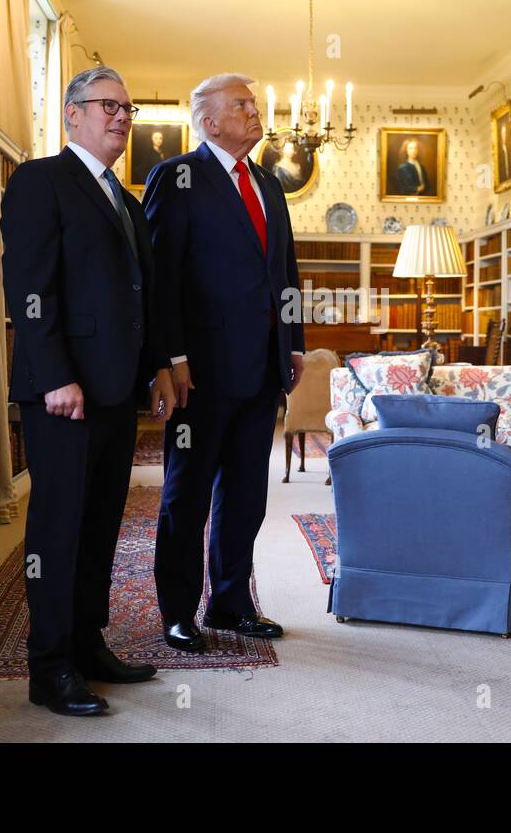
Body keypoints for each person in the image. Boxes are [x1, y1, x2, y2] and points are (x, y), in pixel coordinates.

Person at [1, 66, 176, 716]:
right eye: (109, 105)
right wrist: (52, 375)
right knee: (59, 527)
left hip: (115, 391)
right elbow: (27, 284)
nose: (122, 117)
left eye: (128, 109)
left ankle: (86, 641)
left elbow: (143, 297)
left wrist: (158, 365)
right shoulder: (40, 181)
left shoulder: (126, 203)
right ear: (72, 114)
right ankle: (48, 666)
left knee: (102, 522)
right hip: (62, 393)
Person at [143, 73, 305, 652]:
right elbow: (159, 278)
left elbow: (284, 270)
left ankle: (231, 603)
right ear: (209, 121)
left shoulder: (269, 183)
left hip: (263, 369)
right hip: (200, 372)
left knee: (245, 494)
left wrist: (295, 342)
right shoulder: (176, 176)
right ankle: (178, 612)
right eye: (242, 104)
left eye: (254, 103)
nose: (255, 111)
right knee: (186, 497)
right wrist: (170, 358)